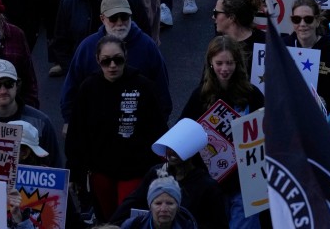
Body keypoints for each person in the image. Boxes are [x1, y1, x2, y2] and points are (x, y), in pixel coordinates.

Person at [65, 34, 167, 221]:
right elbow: (77, 133)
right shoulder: (88, 88)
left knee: (127, 219)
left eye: (118, 60)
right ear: (97, 60)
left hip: (135, 170)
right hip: (101, 171)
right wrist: (74, 171)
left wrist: (160, 167)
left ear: (125, 57)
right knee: (107, 220)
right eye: (106, 61)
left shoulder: (143, 86)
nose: (112, 66)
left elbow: (158, 128)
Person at [180, 36, 263, 228]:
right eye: (219, 63)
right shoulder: (200, 96)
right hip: (210, 182)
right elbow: (183, 131)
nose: (224, 69)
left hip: (246, 183)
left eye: (229, 63)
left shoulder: (253, 94)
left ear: (238, 63)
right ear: (210, 63)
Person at [61, 0, 171, 123]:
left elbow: (161, 89)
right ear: (102, 19)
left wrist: (160, 124)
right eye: (113, 18)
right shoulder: (87, 47)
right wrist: (69, 121)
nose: (119, 23)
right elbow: (71, 87)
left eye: (124, 17)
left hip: (139, 126)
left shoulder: (147, 46)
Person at [112, 118, 223, 228]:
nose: (171, 152)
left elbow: (217, 224)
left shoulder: (207, 186)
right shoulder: (157, 172)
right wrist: (111, 225)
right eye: (169, 147)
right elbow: (132, 202)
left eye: (177, 148)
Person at [0, 58, 61, 165]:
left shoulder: (42, 122)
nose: (3, 90)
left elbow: (55, 167)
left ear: (17, 85)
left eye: (8, 84)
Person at [122, 178, 198, 229]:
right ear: (150, 206)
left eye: (170, 203)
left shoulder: (188, 226)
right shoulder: (132, 226)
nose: (164, 209)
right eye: (158, 203)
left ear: (177, 207)